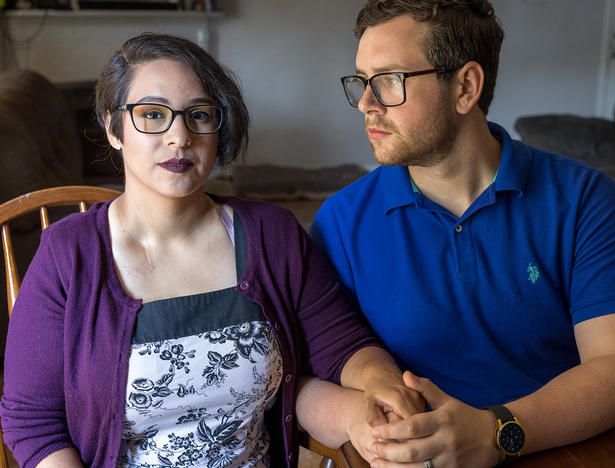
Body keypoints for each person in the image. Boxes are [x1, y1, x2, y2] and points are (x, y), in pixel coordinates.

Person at [0, 33, 422, 468]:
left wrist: (379, 386)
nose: (179, 137)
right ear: (113, 128)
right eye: (152, 114)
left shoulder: (271, 233)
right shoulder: (67, 255)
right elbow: (34, 423)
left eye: (199, 115)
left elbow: (343, 344)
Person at [307, 1, 615, 467]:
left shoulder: (584, 199)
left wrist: (497, 431)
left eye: (389, 81)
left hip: (564, 448)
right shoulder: (341, 221)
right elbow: (314, 374)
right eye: (362, 81)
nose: (367, 104)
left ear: (465, 87)